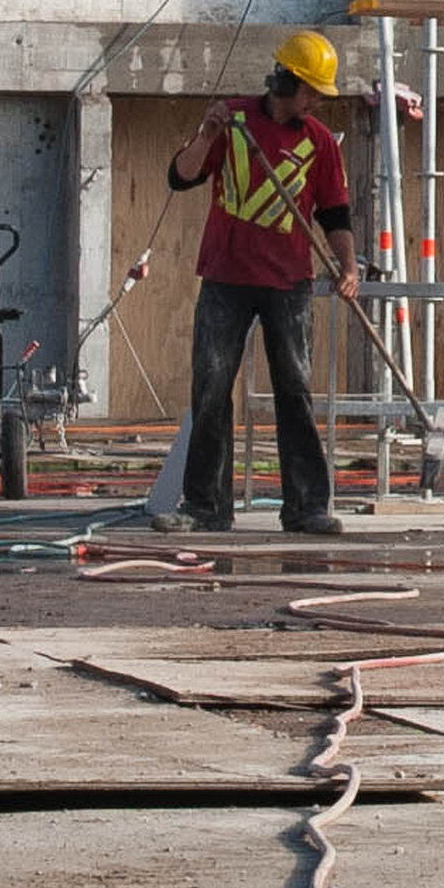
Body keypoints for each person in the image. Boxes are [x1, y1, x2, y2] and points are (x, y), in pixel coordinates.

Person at [168, 28, 357, 535]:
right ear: (286, 81)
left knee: (294, 389)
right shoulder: (230, 122)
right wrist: (206, 134)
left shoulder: (318, 142)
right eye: (312, 90)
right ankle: (205, 507)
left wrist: (349, 266)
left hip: (289, 283)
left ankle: (306, 507)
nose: (317, 101)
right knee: (211, 388)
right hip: (225, 280)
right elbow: (180, 176)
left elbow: (336, 215)